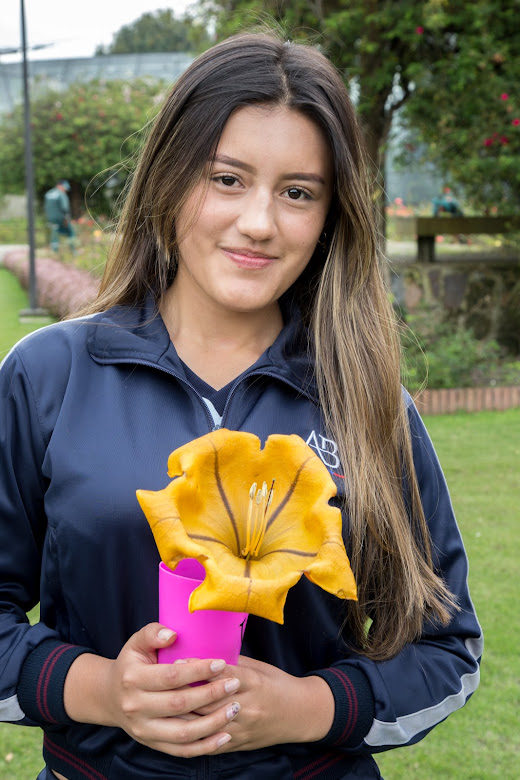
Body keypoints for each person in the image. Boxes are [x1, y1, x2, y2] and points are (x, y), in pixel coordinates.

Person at [0, 33, 482, 780]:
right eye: (227, 179)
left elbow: (447, 649)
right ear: (168, 179)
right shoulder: (47, 374)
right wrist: (103, 690)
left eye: (298, 192)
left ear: (329, 216)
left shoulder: (368, 401)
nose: (259, 222)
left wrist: (305, 708)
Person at [44, 179, 77, 253]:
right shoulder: (61, 194)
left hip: (50, 218)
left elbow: (46, 207)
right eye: (64, 188)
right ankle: (73, 250)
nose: (65, 190)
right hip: (61, 218)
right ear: (60, 186)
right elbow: (64, 208)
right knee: (71, 232)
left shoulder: (49, 193)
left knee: (54, 232)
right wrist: (66, 218)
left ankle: (54, 251)